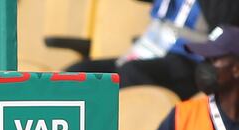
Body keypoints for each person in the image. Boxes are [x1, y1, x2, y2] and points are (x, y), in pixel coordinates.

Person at [67, 0, 239, 100]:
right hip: (151, 47)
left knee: (130, 73)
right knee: (77, 72)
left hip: (188, 61)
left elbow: (224, 21)